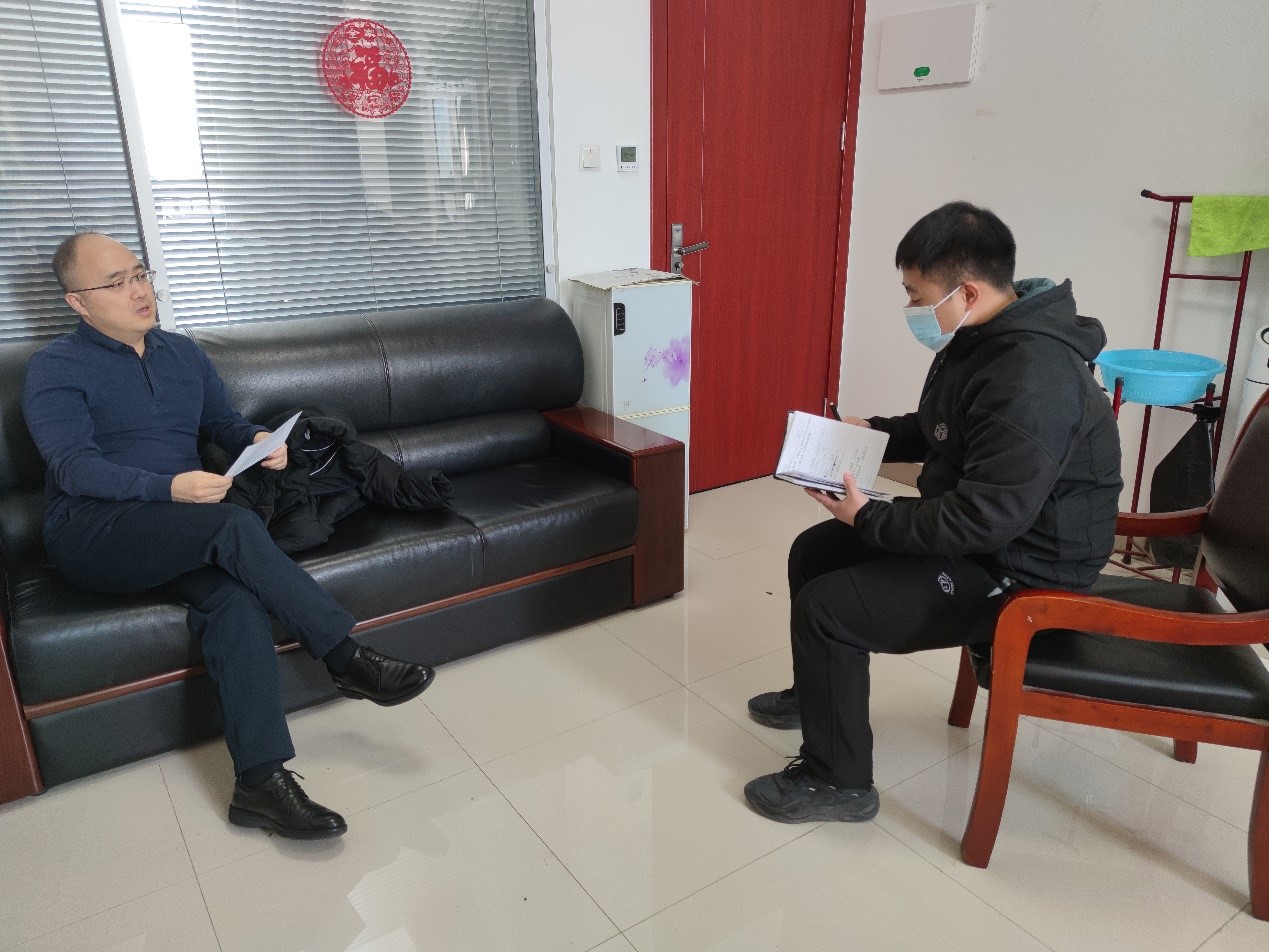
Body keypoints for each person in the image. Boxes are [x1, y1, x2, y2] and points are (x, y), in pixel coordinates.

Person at [22, 233, 435, 840]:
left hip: (177, 529)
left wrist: (258, 442)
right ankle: (345, 658)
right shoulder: (55, 368)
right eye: (116, 283)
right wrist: (170, 489)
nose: (138, 290)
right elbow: (72, 467)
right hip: (92, 532)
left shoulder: (182, 353)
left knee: (235, 601)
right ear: (77, 303)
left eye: (139, 274)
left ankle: (259, 783)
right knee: (232, 523)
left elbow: (223, 422)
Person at [743, 202, 1123, 823]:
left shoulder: (1034, 375)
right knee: (814, 551)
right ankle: (818, 697)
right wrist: (870, 432)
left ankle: (838, 781)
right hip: (987, 539)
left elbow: (985, 518)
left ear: (966, 291)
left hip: (1024, 574)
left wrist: (869, 518)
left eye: (916, 296)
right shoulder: (984, 338)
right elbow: (943, 427)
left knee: (829, 609)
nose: (912, 309)